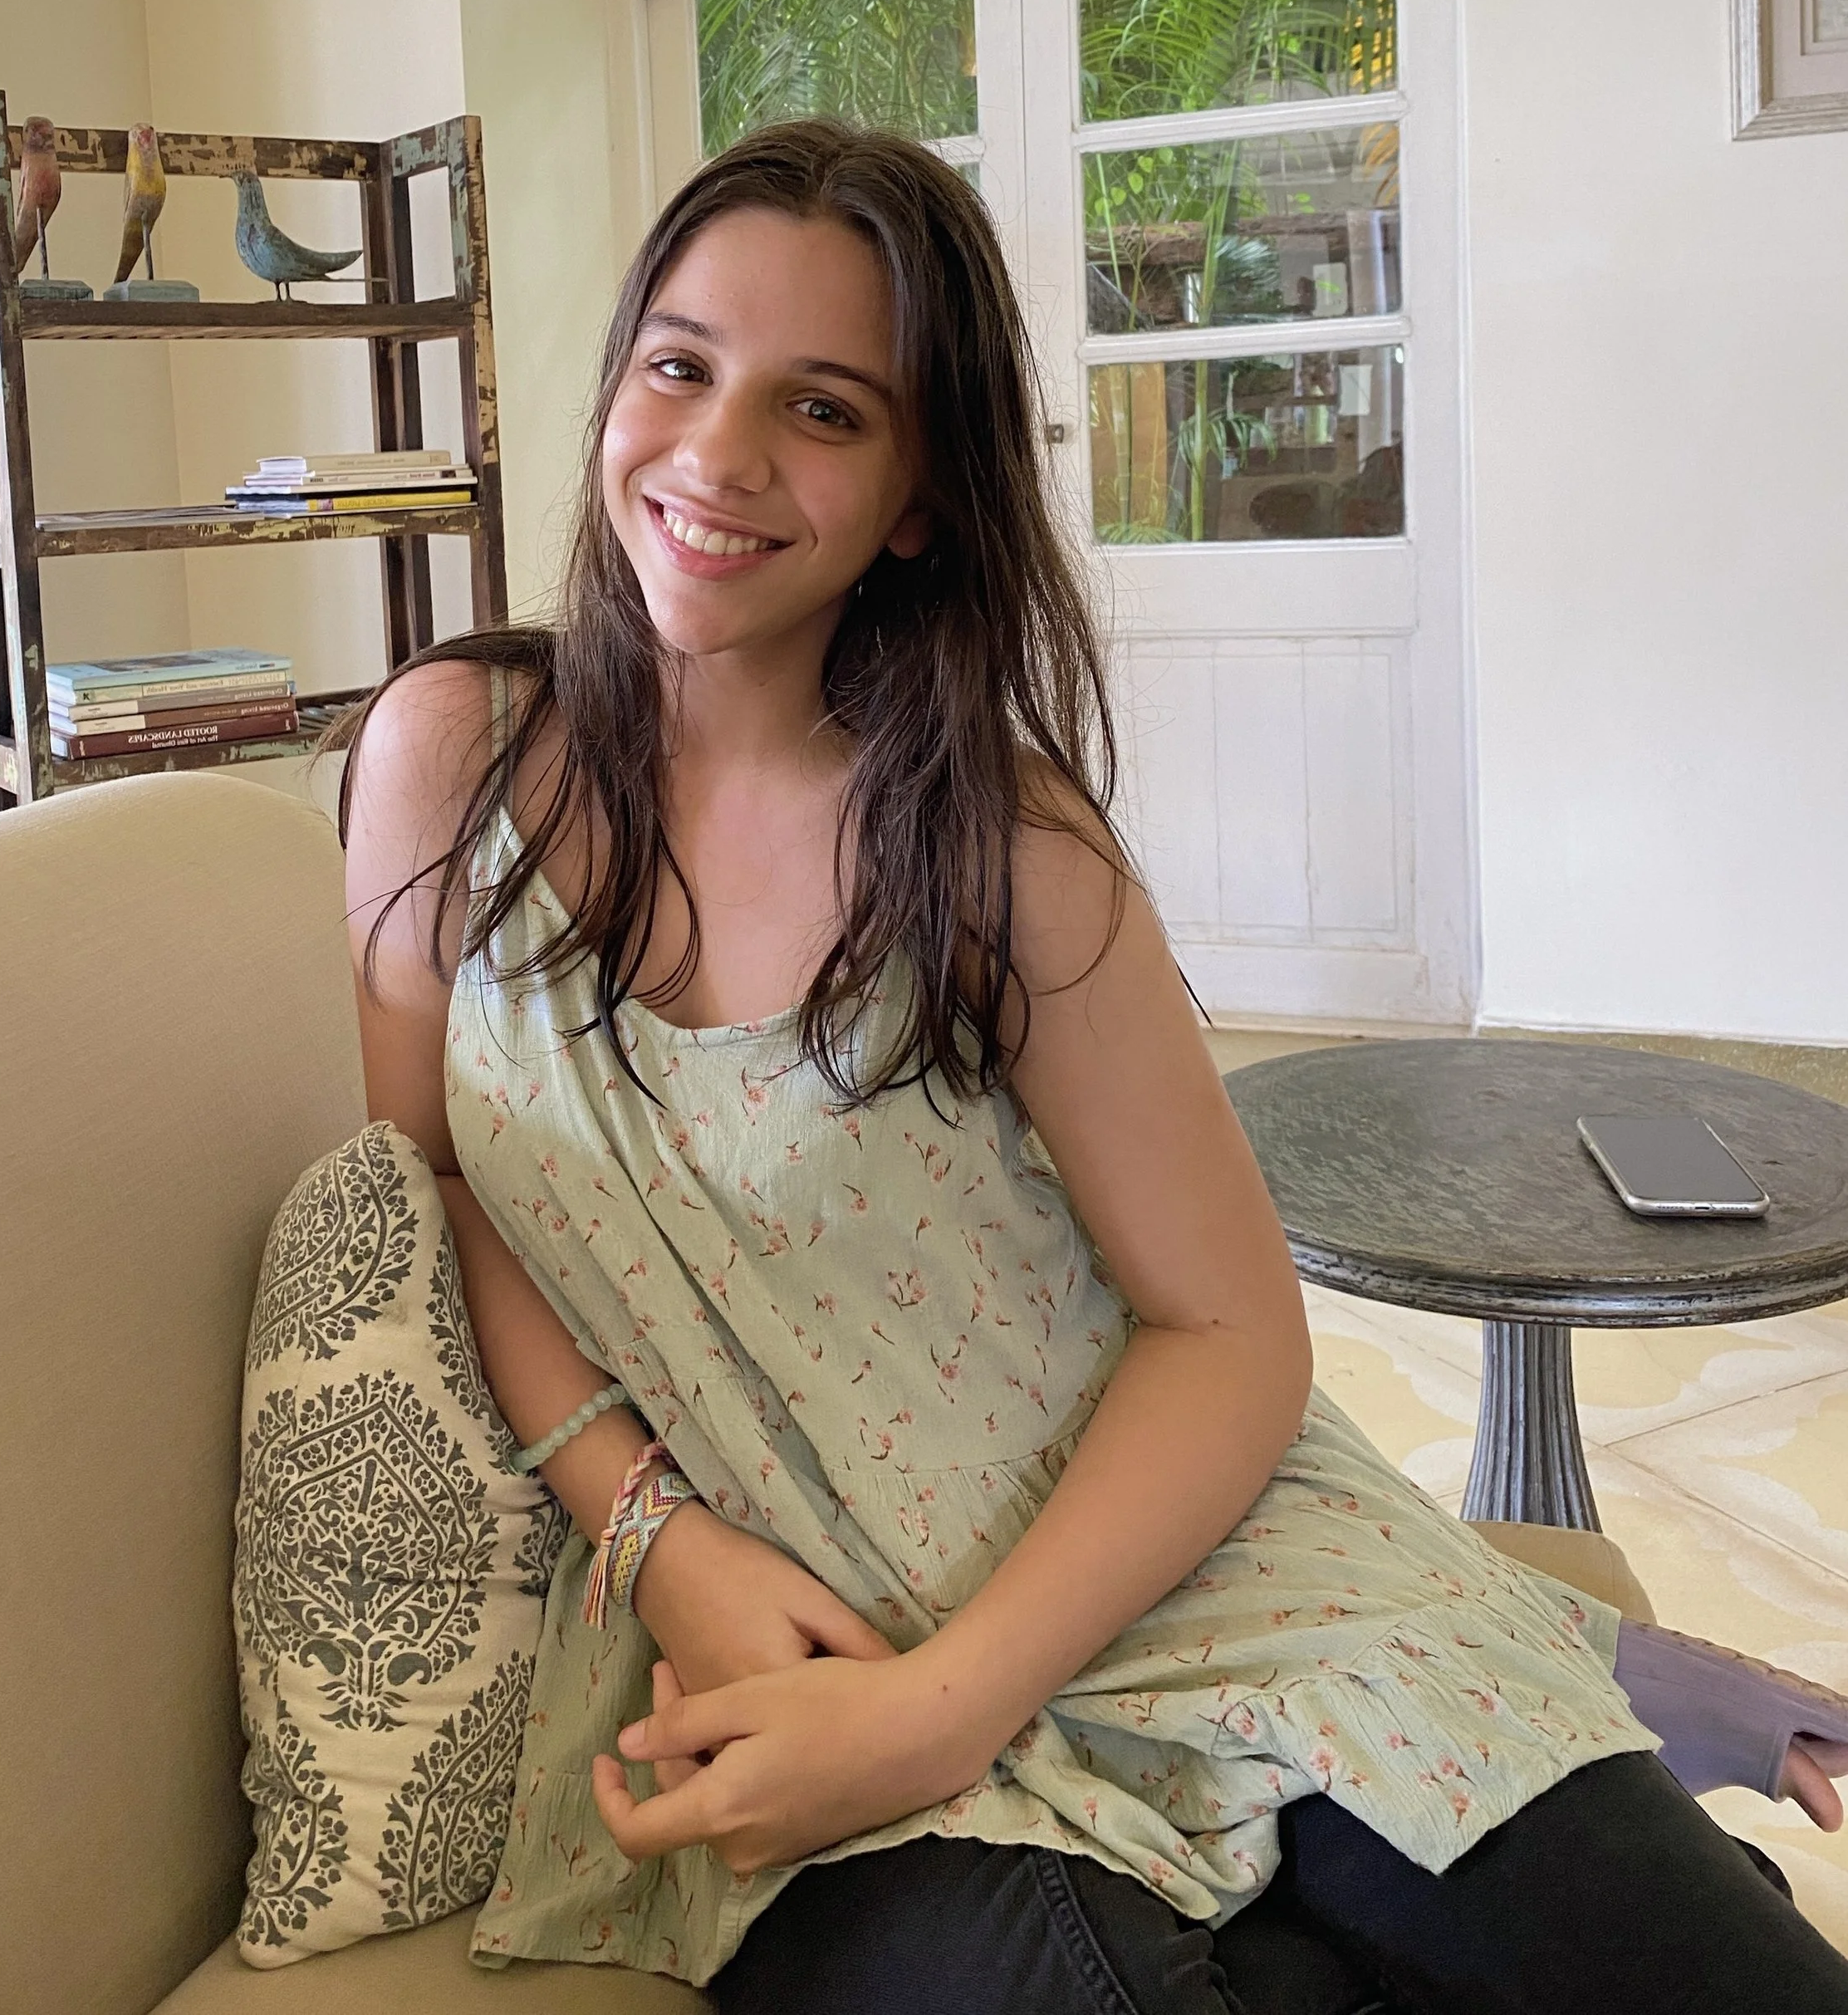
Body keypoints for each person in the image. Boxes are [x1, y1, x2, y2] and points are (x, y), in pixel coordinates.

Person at [344, 121, 1848, 2013]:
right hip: (786, 1638)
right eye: (679, 365)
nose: (715, 456)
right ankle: (1579, 1678)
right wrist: (655, 1539)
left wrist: (940, 1706)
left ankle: (1537, 1686)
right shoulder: (448, 759)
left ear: (913, 495)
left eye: (821, 409)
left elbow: (1227, 1333)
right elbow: (442, 1190)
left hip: (1183, 1582)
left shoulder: (995, 843)